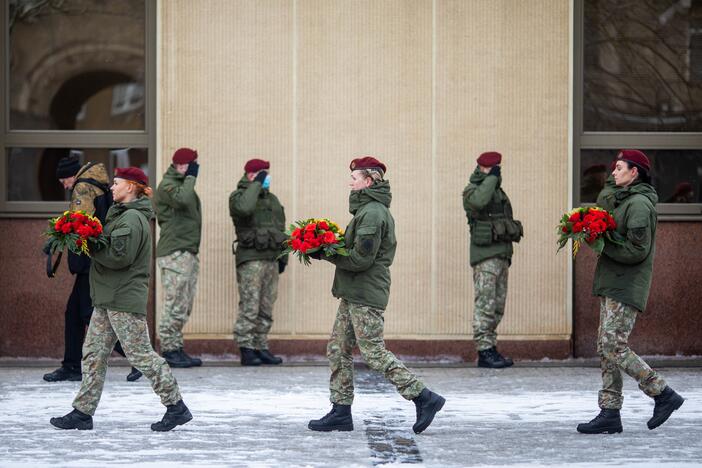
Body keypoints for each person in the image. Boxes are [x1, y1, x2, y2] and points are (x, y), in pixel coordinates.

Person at [308, 156, 445, 434]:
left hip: (365, 293)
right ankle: (340, 411)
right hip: (353, 292)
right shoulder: (365, 211)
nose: (350, 182)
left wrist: (326, 253)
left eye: (355, 178)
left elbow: (361, 259)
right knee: (338, 349)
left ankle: (423, 396)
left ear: (369, 181)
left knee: (373, 352)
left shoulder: (372, 213)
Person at [50, 167, 192, 432]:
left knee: (141, 356)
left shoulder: (133, 220)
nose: (111, 188)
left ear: (131, 186)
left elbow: (119, 257)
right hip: (108, 297)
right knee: (93, 354)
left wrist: (88, 245)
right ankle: (82, 412)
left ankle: (176, 407)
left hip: (123, 298)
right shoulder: (120, 215)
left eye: (116, 183)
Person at [577, 149, 684, 434]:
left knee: (614, 346)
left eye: (619, 168)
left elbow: (638, 250)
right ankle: (609, 411)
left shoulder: (638, 205)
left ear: (634, 172)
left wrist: (604, 245)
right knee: (605, 347)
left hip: (626, 283)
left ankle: (662, 393)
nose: (613, 172)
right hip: (614, 281)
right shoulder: (623, 199)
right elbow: (603, 201)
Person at [43, 155, 141, 383]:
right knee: (74, 314)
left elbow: (78, 220)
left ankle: (139, 358)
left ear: (69, 176)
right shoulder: (96, 182)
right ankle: (71, 366)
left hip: (89, 260)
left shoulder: (83, 187)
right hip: (94, 258)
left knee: (87, 312)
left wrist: (56, 238)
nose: (63, 185)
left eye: (62, 180)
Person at [462, 151, 523, 368]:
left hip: (500, 255)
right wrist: (491, 178)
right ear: (481, 168)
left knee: (497, 306)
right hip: (485, 257)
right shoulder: (472, 191)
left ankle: (490, 346)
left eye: (497, 169)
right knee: (485, 305)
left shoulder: (498, 191)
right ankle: (484, 350)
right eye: (491, 168)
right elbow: (479, 202)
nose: (496, 172)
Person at [229, 159, 288, 366]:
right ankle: (246, 348)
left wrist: (284, 257)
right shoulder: (238, 196)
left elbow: (281, 229)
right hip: (251, 259)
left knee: (266, 305)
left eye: (267, 174)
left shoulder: (272, 200)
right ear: (251, 175)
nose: (266, 178)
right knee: (250, 305)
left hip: (271, 259)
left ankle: (261, 346)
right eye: (262, 174)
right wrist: (256, 184)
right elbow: (244, 209)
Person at [154, 148, 203, 368]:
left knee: (184, 303)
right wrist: (191, 176)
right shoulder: (168, 185)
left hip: (186, 251)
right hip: (174, 252)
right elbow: (182, 200)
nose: (194, 168)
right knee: (174, 302)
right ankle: (169, 349)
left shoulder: (181, 184)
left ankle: (176, 345)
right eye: (191, 165)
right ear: (182, 165)